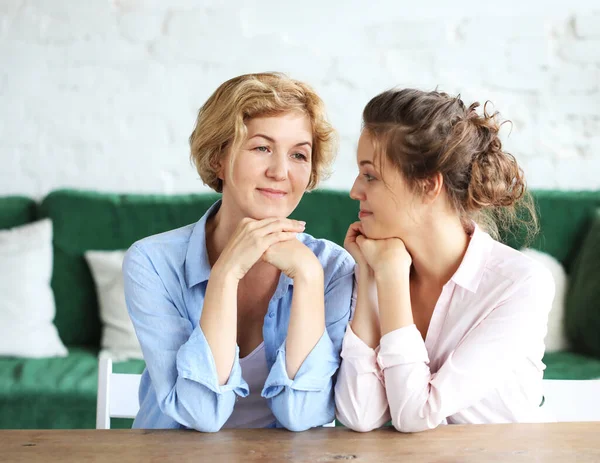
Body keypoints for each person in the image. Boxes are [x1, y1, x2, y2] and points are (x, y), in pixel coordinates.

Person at [123, 72, 354, 432]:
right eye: (262, 147)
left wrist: (308, 279)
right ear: (219, 157)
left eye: (299, 155)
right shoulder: (152, 262)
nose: (280, 171)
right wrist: (225, 274)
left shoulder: (332, 268)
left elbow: (304, 415)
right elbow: (200, 413)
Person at [334, 88, 554, 433]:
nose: (354, 191)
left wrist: (390, 278)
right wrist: (368, 275)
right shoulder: (378, 259)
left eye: (370, 175)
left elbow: (415, 414)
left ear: (427, 186)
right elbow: (360, 415)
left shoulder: (519, 284)